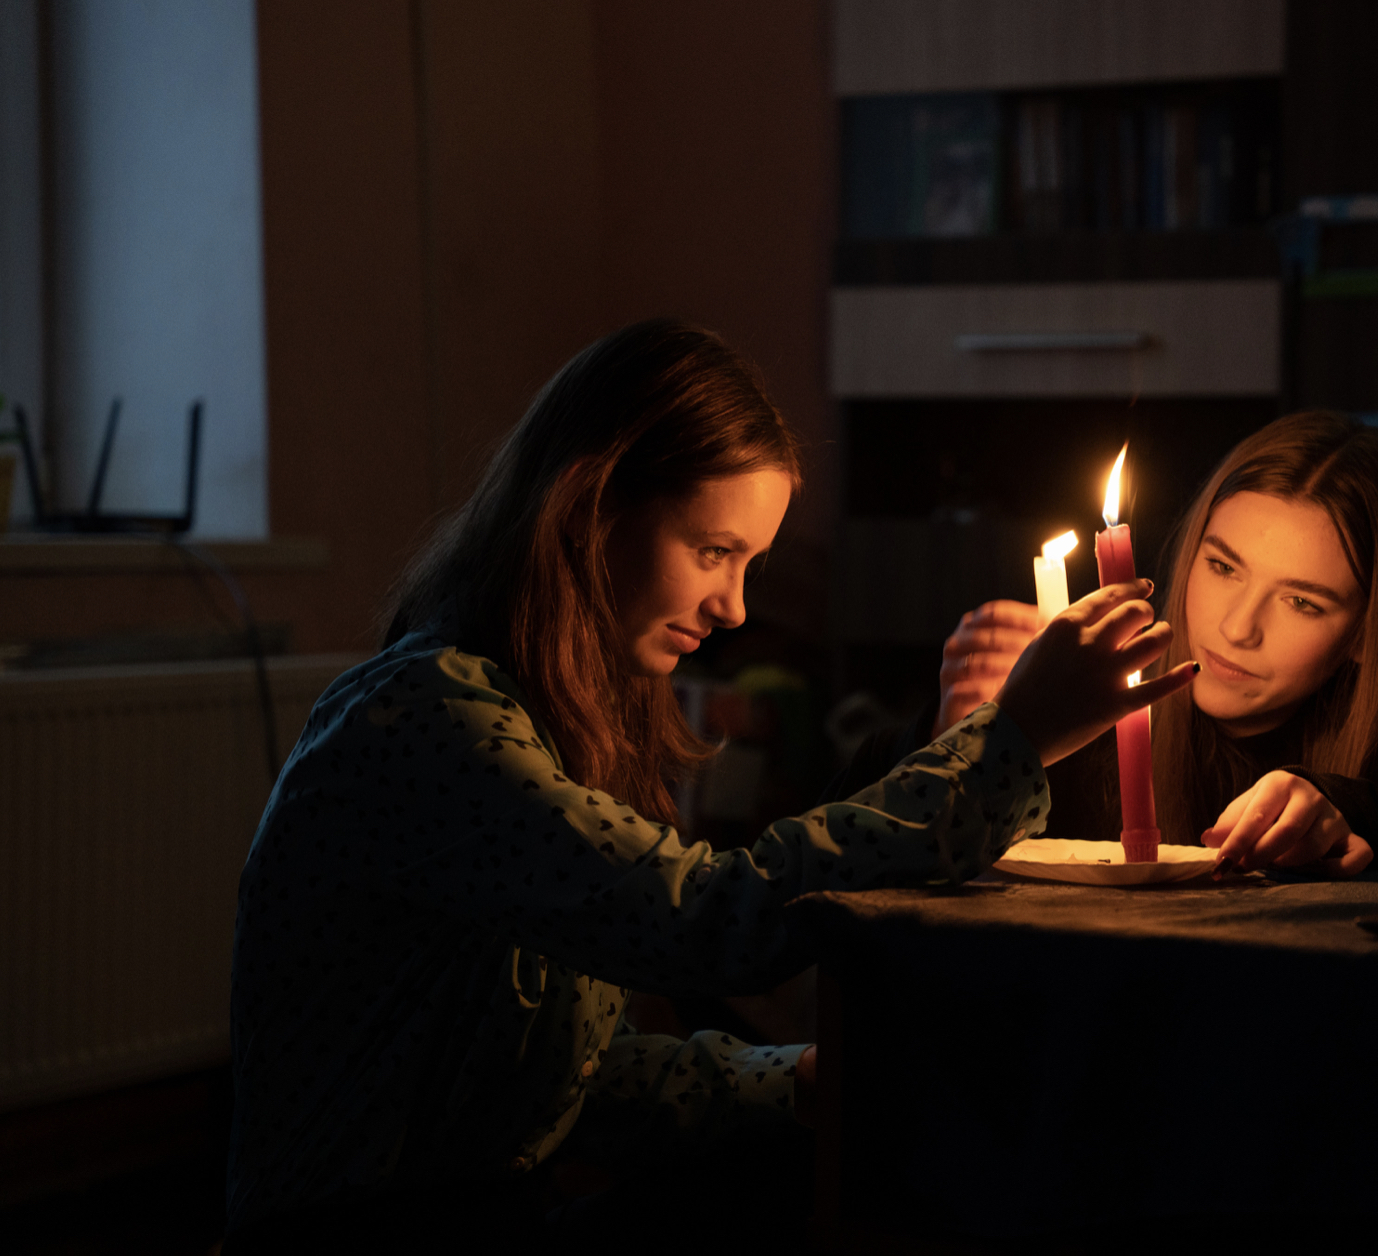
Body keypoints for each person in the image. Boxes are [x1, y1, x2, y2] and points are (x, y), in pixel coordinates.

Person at [223, 319, 1196, 1252]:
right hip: (358, 1234)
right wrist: (1010, 740)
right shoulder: (429, 712)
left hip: (488, 1212)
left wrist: (801, 1079)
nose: (732, 606)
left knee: (834, 1162)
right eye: (712, 551)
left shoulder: (561, 722)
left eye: (750, 563)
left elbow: (579, 1082)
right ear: (585, 508)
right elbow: (704, 918)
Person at [870, 410, 1378, 877]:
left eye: (1301, 601)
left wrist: (1355, 811)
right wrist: (948, 745)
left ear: (1364, 636)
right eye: (1223, 567)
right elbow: (846, 859)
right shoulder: (1082, 706)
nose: (1237, 627)